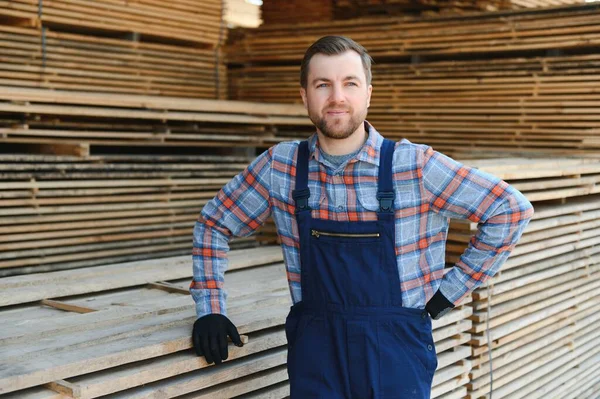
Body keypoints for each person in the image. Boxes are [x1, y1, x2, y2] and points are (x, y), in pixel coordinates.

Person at [190, 35, 534, 398]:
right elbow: (213, 223)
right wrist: (210, 307)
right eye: (322, 85)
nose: (337, 97)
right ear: (305, 96)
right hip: (316, 356)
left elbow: (510, 209)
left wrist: (448, 293)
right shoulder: (281, 167)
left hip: (396, 356)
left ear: (368, 93)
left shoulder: (414, 166)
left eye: (349, 83)